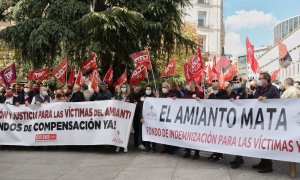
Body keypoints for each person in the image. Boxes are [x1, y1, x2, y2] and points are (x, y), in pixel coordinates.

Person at [252, 72, 280, 173]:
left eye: (260, 78)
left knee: (267, 142)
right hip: (260, 118)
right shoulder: (260, 89)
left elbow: (278, 102)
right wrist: (258, 90)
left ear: (266, 79)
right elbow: (254, 99)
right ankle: (262, 162)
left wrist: (267, 99)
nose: (259, 80)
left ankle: (268, 165)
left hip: (270, 120)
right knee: (261, 141)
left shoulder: (273, 89)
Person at [207, 79, 230, 162]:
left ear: (219, 87)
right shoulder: (211, 95)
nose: (213, 89)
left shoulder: (224, 95)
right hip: (213, 120)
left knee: (219, 138)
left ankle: (220, 155)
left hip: (221, 121)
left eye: (215, 87)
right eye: (213, 87)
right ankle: (215, 153)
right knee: (214, 138)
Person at [229, 76, 248, 169]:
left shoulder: (245, 92)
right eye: (234, 81)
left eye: (237, 81)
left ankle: (238, 159)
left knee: (239, 139)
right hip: (234, 118)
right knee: (235, 139)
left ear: (241, 82)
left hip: (242, 119)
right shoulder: (233, 92)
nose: (236, 83)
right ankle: (238, 158)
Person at [182, 80, 204, 159]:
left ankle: (197, 153)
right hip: (187, 118)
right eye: (188, 84)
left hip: (196, 118)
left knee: (196, 136)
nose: (189, 85)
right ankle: (188, 151)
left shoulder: (199, 93)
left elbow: (204, 103)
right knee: (187, 135)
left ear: (194, 85)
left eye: (190, 84)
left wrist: (200, 100)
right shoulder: (186, 94)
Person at [160, 82, 178, 155]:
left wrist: (174, 99)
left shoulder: (173, 94)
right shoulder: (161, 95)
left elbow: (178, 102)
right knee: (164, 134)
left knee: (171, 134)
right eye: (162, 87)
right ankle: (165, 148)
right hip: (163, 117)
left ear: (168, 87)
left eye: (164, 87)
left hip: (171, 117)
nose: (163, 88)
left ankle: (172, 149)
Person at [115, 83, 133, 153]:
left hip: (127, 118)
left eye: (124, 87)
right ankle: (118, 146)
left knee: (126, 132)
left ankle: (125, 146)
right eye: (122, 87)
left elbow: (133, 104)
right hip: (119, 117)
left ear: (127, 88)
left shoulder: (129, 96)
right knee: (118, 131)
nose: (123, 88)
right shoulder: (117, 96)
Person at [140, 85, 158, 152]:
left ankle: (154, 146)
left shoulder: (154, 97)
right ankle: (147, 146)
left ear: (152, 90)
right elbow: (141, 108)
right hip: (145, 118)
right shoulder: (143, 97)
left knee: (153, 132)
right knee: (146, 132)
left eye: (149, 89)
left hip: (153, 118)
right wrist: (141, 117)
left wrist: (157, 98)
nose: (148, 90)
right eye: (147, 89)